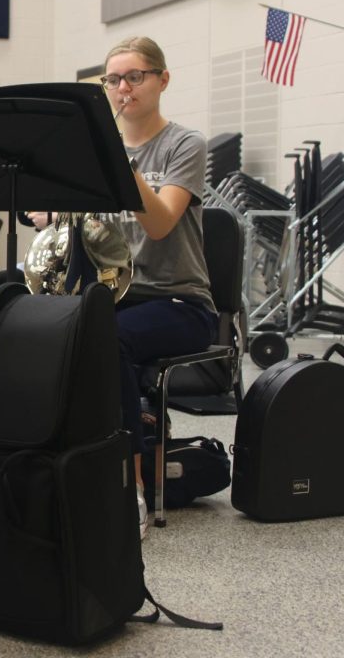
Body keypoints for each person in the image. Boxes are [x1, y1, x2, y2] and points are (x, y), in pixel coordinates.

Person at [30, 36, 215, 539]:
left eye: (135, 77)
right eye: (113, 79)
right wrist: (52, 209)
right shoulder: (90, 151)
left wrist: (116, 163)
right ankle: (52, 467)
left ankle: (125, 487)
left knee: (105, 337)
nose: (122, 88)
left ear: (162, 80)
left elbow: (159, 224)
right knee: (35, 319)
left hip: (178, 301)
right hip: (111, 294)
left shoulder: (184, 145)